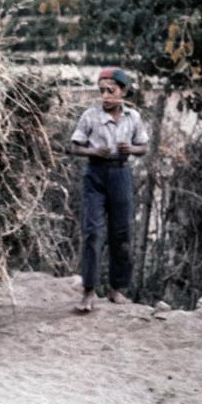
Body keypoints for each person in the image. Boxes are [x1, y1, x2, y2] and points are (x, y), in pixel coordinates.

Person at [69, 68, 149, 312]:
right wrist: (93, 151)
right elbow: (74, 146)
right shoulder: (90, 116)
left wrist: (130, 150)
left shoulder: (132, 117)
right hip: (95, 176)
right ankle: (89, 292)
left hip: (121, 175)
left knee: (122, 233)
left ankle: (117, 289)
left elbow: (143, 146)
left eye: (111, 91)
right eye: (102, 91)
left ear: (123, 92)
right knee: (93, 233)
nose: (105, 96)